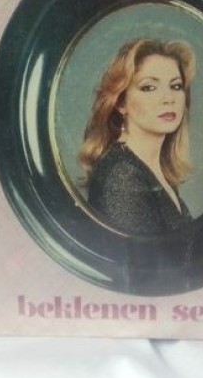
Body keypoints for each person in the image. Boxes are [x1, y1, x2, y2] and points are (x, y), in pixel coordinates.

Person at [79, 38, 195, 235]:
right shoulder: (123, 177)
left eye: (176, 86)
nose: (169, 98)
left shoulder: (151, 169)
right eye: (149, 87)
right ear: (120, 102)